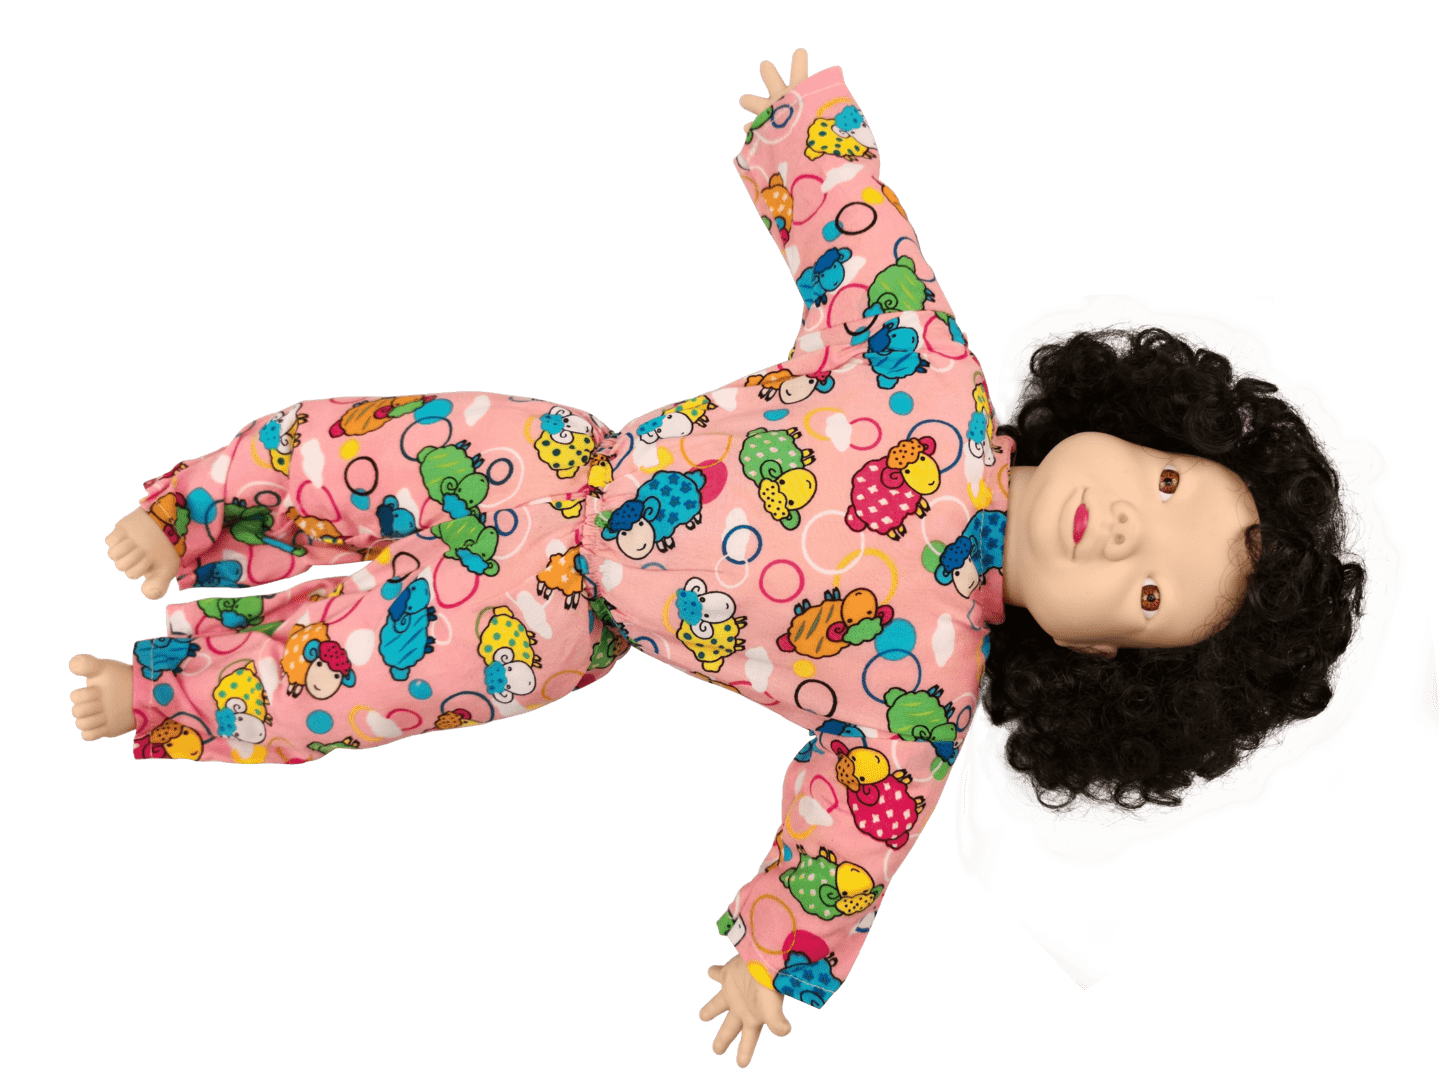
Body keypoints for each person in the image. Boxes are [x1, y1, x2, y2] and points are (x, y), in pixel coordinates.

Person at [66, 49, 1364, 1070]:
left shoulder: (927, 692)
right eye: (1166, 483)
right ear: (1137, 423)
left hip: (550, 628)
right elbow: (864, 256)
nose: (1130, 525)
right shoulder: (929, 375)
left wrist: (776, 955)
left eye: (1150, 590)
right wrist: (809, 137)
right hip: (555, 458)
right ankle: (200, 515)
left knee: (351, 680)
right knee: (344, 446)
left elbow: (847, 840)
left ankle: (173, 695)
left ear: (1097, 654)